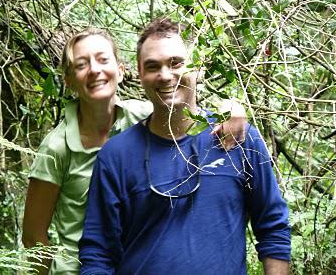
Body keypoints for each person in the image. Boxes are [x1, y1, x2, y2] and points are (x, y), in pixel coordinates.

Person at [22, 27, 247, 274]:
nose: (95, 70)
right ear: (69, 81)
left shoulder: (144, 117)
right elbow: (34, 237)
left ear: (121, 71)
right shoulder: (57, 147)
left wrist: (233, 109)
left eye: (102, 60)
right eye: (81, 65)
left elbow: (189, 113)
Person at [79, 18, 291, 275]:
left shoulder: (240, 140)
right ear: (140, 73)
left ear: (197, 66)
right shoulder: (116, 156)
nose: (166, 76)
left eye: (176, 63)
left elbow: (273, 228)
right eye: (153, 66)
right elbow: (97, 253)